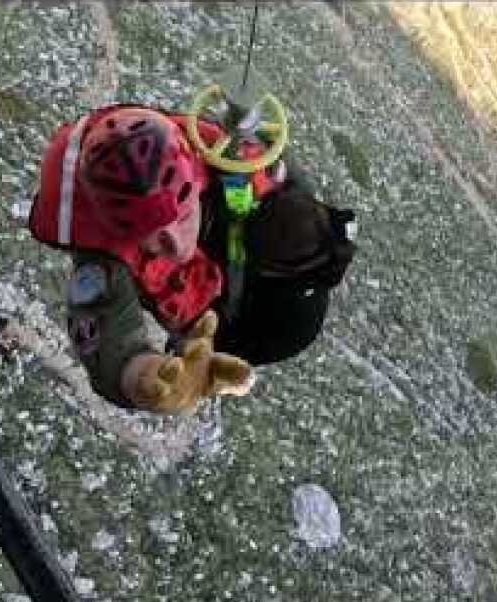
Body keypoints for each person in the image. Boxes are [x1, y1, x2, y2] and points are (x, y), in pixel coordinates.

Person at [26, 102, 357, 414]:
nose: (176, 245)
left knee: (297, 236)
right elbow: (109, 337)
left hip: (260, 284)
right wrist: (153, 379)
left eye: (183, 218)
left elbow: (281, 173)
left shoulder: (214, 155)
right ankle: (216, 356)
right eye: (152, 235)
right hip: (225, 319)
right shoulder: (103, 252)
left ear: (198, 177)